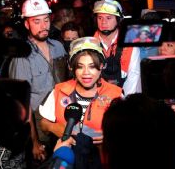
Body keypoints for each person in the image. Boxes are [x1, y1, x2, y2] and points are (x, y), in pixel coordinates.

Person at [39, 37, 123, 168]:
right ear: (72, 68)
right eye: (80, 67)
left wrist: (111, 137)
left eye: (92, 66)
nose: (86, 73)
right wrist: (54, 127)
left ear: (101, 66)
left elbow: (129, 132)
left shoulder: (116, 94)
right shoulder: (59, 90)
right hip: (67, 161)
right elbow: (43, 124)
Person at [8, 0, 68, 165]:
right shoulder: (22, 56)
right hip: (39, 128)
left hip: (62, 120)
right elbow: (23, 103)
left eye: (46, 20)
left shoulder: (58, 46)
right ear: (27, 24)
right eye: (36, 21)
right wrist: (34, 142)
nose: (43, 26)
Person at [92, 0, 142, 96]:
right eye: (100, 18)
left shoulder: (130, 45)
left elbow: (133, 78)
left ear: (118, 19)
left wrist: (122, 103)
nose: (103, 22)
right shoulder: (90, 45)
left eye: (109, 18)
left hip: (123, 100)